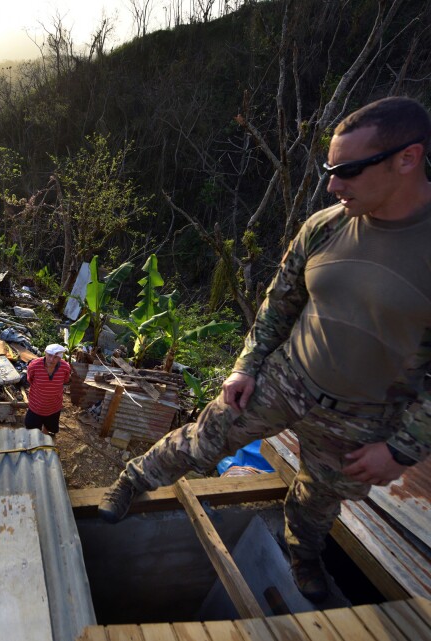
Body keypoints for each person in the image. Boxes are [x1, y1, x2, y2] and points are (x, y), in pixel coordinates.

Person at [98, 96, 431, 604]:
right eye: (329, 169)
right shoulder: (326, 226)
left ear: (407, 158)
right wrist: (246, 365)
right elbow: (279, 305)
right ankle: (131, 481)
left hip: (364, 414)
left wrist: (402, 449)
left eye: (348, 170)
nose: (332, 184)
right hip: (287, 377)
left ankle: (303, 554)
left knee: (320, 498)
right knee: (203, 438)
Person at [25, 344, 72, 436]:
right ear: (45, 353)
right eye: (50, 355)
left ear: (60, 358)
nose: (51, 360)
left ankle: (45, 435)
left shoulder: (65, 367)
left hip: (54, 406)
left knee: (50, 427)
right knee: (32, 428)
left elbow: (65, 380)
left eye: (55, 357)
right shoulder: (34, 365)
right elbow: (30, 379)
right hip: (36, 406)